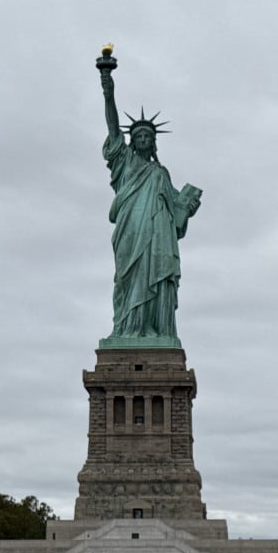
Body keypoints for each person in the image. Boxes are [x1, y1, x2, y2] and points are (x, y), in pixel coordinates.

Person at [97, 58, 201, 342]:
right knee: (128, 279)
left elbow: (177, 211)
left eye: (148, 136)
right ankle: (127, 329)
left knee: (156, 275)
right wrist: (108, 88)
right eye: (139, 135)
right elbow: (113, 128)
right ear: (132, 141)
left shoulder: (160, 173)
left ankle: (155, 329)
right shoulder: (124, 163)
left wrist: (188, 205)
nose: (143, 138)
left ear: (153, 142)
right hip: (130, 232)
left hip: (158, 236)